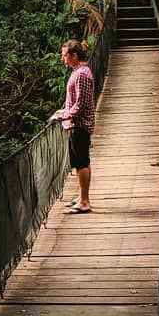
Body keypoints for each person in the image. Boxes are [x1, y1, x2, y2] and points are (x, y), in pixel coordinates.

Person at [50, 39, 95, 213]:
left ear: (74, 55)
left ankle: (85, 202)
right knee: (82, 162)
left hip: (80, 125)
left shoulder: (82, 74)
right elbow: (74, 101)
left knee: (81, 162)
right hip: (77, 123)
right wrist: (63, 112)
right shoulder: (79, 71)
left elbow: (81, 103)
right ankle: (82, 196)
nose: (63, 59)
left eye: (65, 56)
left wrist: (64, 115)